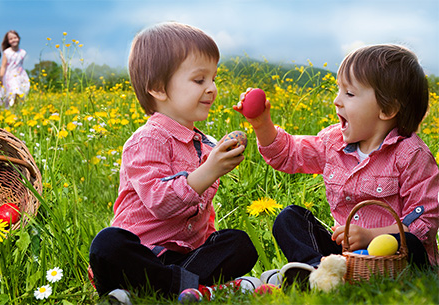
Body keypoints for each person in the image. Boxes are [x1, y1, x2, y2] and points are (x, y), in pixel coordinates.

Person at [235, 44, 439, 290]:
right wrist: (261, 124)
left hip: (396, 257)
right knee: (289, 217)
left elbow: (424, 223)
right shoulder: (333, 142)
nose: (337, 101)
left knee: (413, 242)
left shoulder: (410, 155)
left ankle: (316, 276)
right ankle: (318, 271)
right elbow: (288, 154)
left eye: (349, 94)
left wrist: (371, 235)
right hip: (346, 256)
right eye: (338, 90)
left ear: (387, 109)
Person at [89, 22, 259, 302]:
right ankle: (190, 287)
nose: (212, 88)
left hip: (184, 257)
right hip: (142, 252)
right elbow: (159, 201)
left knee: (239, 244)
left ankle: (166, 287)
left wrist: (211, 244)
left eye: (213, 78)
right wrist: (209, 171)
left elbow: (204, 215)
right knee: (108, 244)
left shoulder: (205, 144)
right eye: (199, 80)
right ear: (158, 88)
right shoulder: (147, 140)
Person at [0, 30, 30, 107]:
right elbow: (3, 66)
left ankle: (16, 109)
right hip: (10, 76)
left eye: (15, 37)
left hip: (21, 75)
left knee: (21, 94)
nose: (13, 40)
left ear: (18, 38)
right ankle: (11, 109)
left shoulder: (23, 52)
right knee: (13, 93)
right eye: (11, 39)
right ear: (8, 41)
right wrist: (1, 78)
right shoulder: (7, 52)